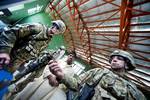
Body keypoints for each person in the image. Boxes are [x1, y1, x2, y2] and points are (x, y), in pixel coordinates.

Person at [0, 20, 66, 98]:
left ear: (58, 33)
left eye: (58, 28)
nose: (55, 28)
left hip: (15, 65)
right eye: (55, 25)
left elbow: (35, 53)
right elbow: (12, 32)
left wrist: (26, 60)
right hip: (6, 57)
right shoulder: (38, 28)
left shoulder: (47, 42)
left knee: (3, 83)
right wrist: (5, 51)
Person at [48, 49, 146, 100]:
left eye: (119, 58)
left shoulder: (133, 89)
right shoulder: (98, 72)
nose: (114, 60)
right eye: (113, 58)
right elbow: (76, 84)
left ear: (128, 65)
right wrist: (61, 75)